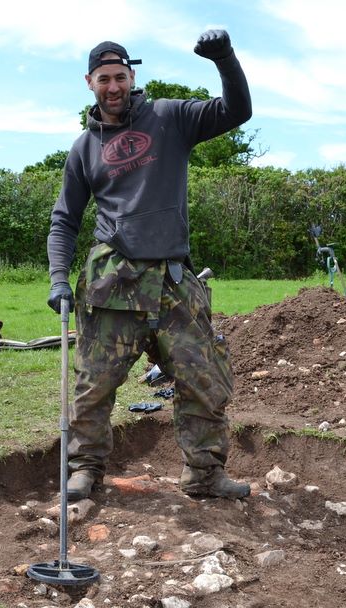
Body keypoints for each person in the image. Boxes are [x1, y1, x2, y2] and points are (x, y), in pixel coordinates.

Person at [46, 30, 253, 502]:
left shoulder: (170, 117)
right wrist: (59, 278)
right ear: (90, 82)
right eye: (104, 79)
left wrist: (224, 58)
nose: (113, 86)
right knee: (94, 384)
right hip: (112, 283)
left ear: (131, 77)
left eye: (120, 76)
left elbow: (237, 111)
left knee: (203, 378)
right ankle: (86, 470)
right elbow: (64, 221)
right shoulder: (83, 148)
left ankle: (204, 474)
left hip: (175, 282)